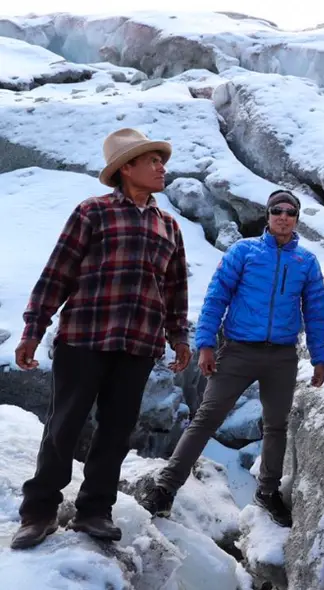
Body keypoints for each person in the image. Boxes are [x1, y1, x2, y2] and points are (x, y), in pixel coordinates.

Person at [10, 128, 192, 549]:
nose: (161, 167)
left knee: (116, 429)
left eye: (160, 161)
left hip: (139, 344)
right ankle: (38, 512)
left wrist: (178, 336)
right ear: (126, 169)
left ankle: (95, 510)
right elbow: (58, 272)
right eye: (152, 161)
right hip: (84, 337)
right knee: (64, 425)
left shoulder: (169, 225)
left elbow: (175, 289)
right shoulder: (93, 212)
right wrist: (33, 329)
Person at [138, 190, 324, 528]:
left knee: (276, 425)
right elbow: (216, 297)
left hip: (282, 356)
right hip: (239, 349)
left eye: (290, 212)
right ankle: (166, 488)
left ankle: (267, 492)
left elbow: (315, 312)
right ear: (268, 215)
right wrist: (206, 344)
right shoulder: (244, 251)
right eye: (277, 211)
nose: (283, 217)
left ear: (297, 218)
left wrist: (319, 358)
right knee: (206, 418)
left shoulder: (306, 262)